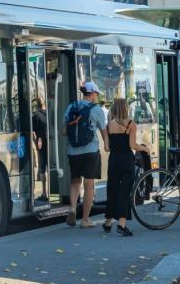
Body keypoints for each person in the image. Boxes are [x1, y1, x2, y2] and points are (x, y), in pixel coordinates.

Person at [63, 81, 108, 229]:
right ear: (93, 94)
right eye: (96, 94)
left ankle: (72, 208)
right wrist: (107, 146)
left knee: (75, 181)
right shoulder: (97, 110)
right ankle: (85, 220)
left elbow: (64, 131)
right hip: (90, 152)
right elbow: (103, 132)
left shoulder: (71, 107)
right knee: (89, 184)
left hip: (72, 152)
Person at [103, 98, 150, 236]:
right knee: (124, 192)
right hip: (127, 161)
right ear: (125, 109)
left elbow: (106, 148)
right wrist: (145, 149)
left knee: (112, 190)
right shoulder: (131, 124)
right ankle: (122, 225)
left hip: (114, 161)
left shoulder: (108, 126)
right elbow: (133, 146)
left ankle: (108, 222)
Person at [31, 98, 49, 201]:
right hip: (50, 142)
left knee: (42, 168)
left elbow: (32, 132)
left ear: (36, 106)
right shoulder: (48, 113)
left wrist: (35, 143)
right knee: (50, 167)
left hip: (41, 143)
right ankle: (52, 194)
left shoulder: (36, 116)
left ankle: (44, 193)